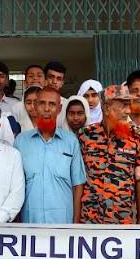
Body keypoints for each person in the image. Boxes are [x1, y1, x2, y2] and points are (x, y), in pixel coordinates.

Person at [78, 85, 140, 224]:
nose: (128, 111)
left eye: (129, 105)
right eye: (123, 105)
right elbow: (78, 179)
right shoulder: (86, 136)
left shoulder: (137, 137)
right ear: (106, 108)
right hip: (89, 220)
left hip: (121, 221)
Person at [15, 87, 86, 224]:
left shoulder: (71, 141)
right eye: (42, 103)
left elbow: (78, 185)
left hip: (63, 221)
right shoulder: (21, 141)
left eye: (52, 104)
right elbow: (16, 186)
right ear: (35, 107)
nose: (46, 109)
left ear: (59, 109)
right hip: (30, 221)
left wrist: (76, 223)